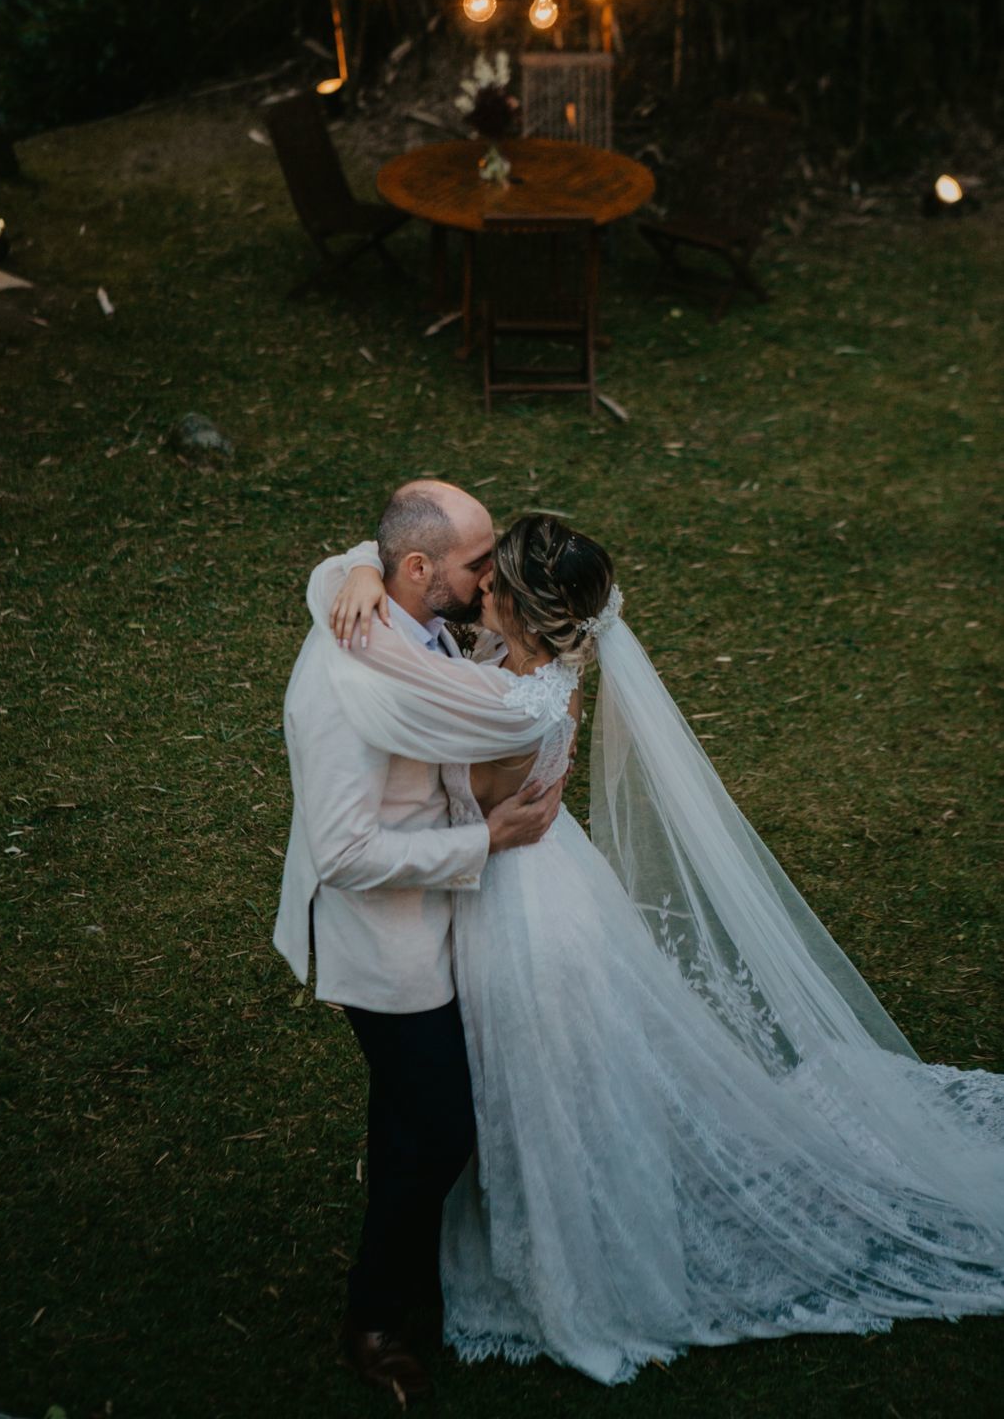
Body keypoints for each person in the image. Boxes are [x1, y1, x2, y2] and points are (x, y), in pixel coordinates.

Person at [313, 512, 1004, 1387]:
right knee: (559, 1072)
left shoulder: (497, 707)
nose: (474, 585)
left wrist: (342, 599)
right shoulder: (541, 674)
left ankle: (562, 1253)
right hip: (558, 878)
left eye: (491, 581)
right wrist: (357, 573)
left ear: (520, 612)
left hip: (515, 908)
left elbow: (393, 679)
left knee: (532, 1081)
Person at [273, 480, 565, 1403]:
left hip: (456, 919)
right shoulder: (339, 685)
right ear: (416, 569)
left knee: (408, 1118)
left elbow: (364, 560)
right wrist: (488, 839)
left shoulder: (400, 615)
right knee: (440, 1128)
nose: (490, 585)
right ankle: (370, 1318)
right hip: (388, 944)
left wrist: (353, 564)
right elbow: (347, 851)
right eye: (479, 566)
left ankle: (415, 1270)